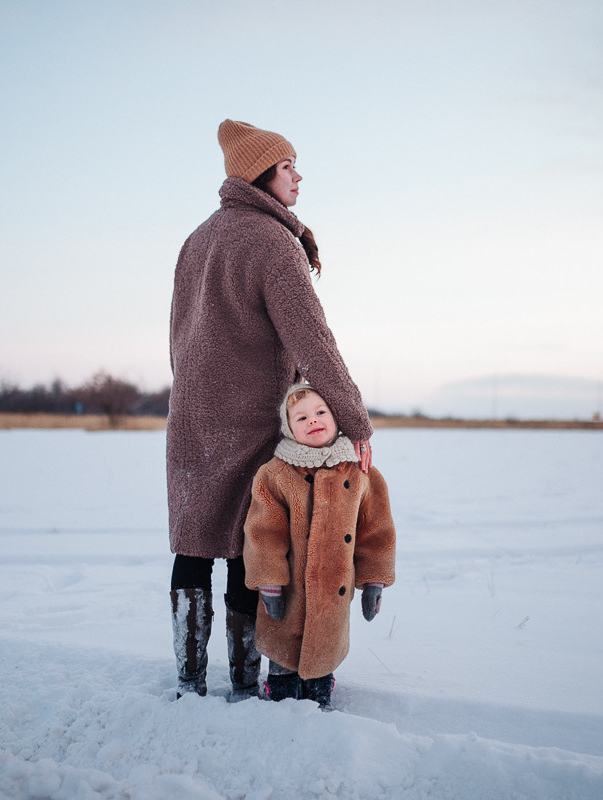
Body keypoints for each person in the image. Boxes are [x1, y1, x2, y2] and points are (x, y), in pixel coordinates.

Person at [167, 120, 374, 700]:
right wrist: (352, 419)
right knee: (245, 544)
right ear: (260, 174)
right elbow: (315, 341)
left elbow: (177, 336)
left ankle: (188, 683)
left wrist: (191, 393)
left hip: (190, 416)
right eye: (288, 166)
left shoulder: (196, 239)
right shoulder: (270, 240)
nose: (298, 176)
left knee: (192, 544)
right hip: (250, 418)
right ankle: (240, 682)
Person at [243, 383, 396, 708]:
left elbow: (376, 532)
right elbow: (263, 532)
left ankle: (320, 688)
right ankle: (281, 688)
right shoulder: (275, 474)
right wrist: (269, 582)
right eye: (301, 417)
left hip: (333, 589)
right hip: (288, 590)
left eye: (320, 412)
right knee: (285, 644)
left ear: (337, 417)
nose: (312, 420)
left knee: (324, 647)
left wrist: (374, 581)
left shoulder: (360, 474)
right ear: (288, 427)